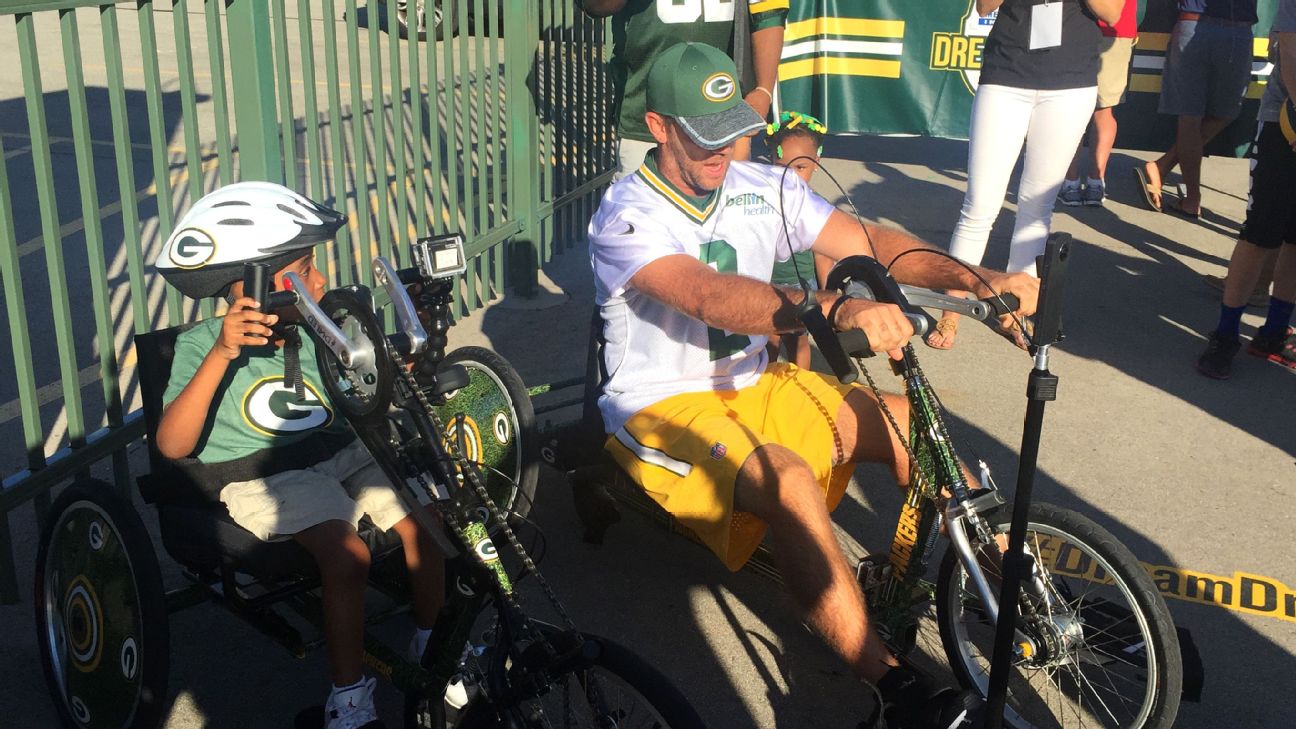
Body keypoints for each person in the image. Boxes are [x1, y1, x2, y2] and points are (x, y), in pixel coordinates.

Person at [588, 42, 1040, 728]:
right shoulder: (624, 215)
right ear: (657, 127)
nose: (722, 151)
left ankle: (1029, 596)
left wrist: (981, 284)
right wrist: (837, 308)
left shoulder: (760, 183)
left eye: (731, 129)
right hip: (660, 405)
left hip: (757, 382)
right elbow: (708, 296)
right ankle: (893, 686)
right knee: (790, 479)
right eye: (702, 137)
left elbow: (872, 241)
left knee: (913, 422)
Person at [153, 182, 447, 729]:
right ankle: (348, 700)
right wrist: (223, 351)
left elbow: (364, 386)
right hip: (262, 474)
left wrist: (407, 359)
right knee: (347, 555)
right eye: (306, 271)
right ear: (255, 284)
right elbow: (172, 445)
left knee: (428, 521)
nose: (319, 282)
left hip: (335, 452)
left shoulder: (318, 329)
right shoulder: (201, 345)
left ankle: (435, 656)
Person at [929, 0, 1123, 350]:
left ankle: (1014, 310)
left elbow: (1112, 12)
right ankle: (951, 311)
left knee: (1036, 208)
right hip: (1005, 77)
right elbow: (983, 7)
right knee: (979, 204)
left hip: (1070, 84)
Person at [1196, 0, 1296, 378]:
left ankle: (1274, 332)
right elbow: (1291, 56)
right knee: (1260, 235)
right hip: (1284, 127)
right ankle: (1225, 333)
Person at [580, 0, 788, 178]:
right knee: (648, 215)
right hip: (647, 115)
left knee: (724, 216)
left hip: (723, 108)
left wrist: (763, 90)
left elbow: (768, 13)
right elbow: (596, 6)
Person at [1133, 0, 1256, 216]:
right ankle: (1190, 196)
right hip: (1206, 24)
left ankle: (1165, 169)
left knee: (1218, 114)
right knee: (1193, 117)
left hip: (1225, 28)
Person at [764, 109, 831, 369]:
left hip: (803, 286)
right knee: (767, 340)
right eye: (782, 167)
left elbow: (823, 254)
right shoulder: (761, 202)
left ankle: (800, 385)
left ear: (817, 161)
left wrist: (829, 293)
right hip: (767, 284)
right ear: (771, 158)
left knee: (798, 341)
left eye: (801, 167)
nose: (791, 175)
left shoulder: (816, 207)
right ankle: (763, 390)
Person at [1059, 0, 1139, 207]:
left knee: (1073, 109)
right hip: (1114, 29)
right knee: (1102, 109)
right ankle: (1095, 183)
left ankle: (1072, 183)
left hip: (1077, 26)